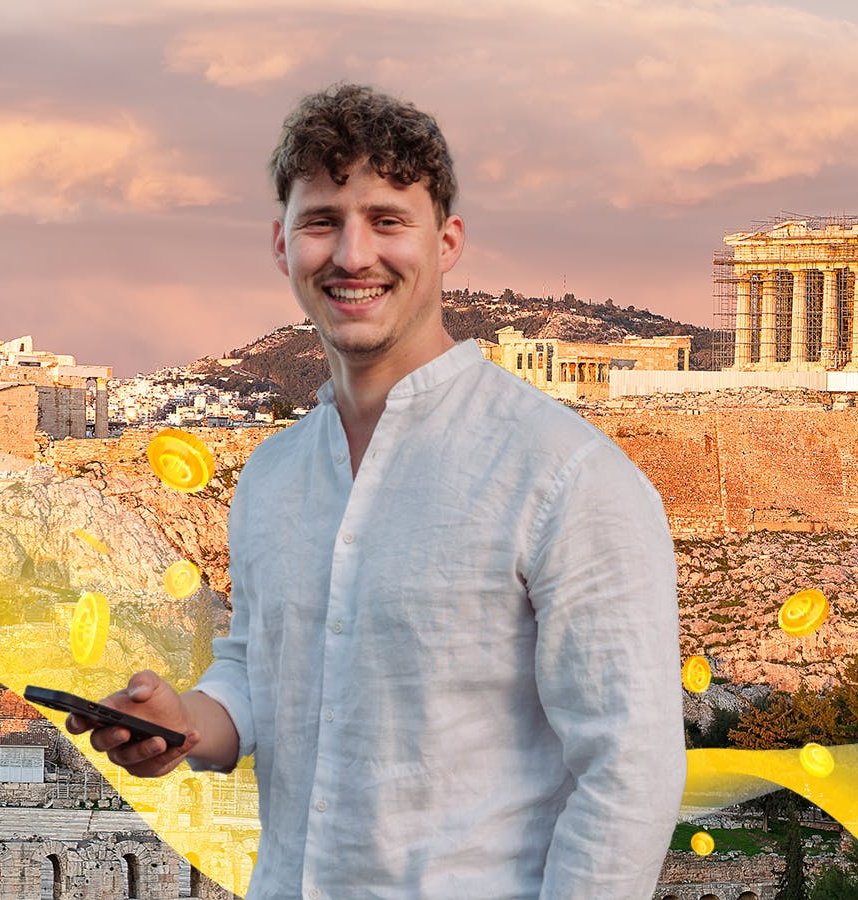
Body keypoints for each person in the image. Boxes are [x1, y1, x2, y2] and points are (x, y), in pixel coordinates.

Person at [60, 82, 685, 898]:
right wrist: (187, 725)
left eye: (388, 220)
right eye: (322, 221)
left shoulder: (564, 474)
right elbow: (260, 672)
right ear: (283, 246)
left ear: (447, 241)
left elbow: (629, 771)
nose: (353, 255)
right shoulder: (274, 474)